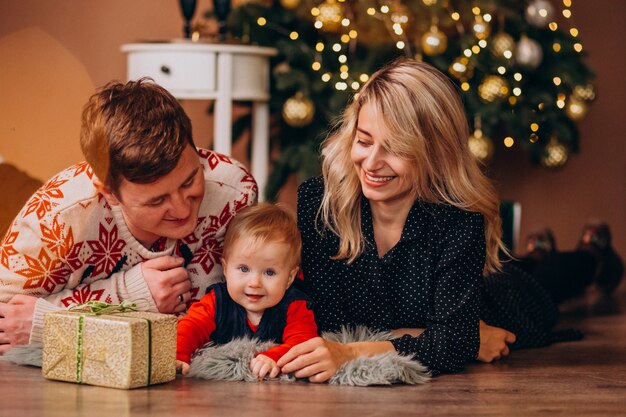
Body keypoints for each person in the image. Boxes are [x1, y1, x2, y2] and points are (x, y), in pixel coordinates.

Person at [275, 58, 623, 381]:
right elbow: (329, 320)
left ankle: (593, 255)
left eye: (396, 148)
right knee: (521, 264)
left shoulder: (459, 220)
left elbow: (449, 345)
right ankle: (540, 251)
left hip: (499, 300)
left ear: (434, 152)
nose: (371, 162)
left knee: (540, 286)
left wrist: (351, 352)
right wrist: (459, 334)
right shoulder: (320, 202)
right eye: (364, 141)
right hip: (463, 305)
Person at [0, 79, 257, 354]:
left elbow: (250, 312)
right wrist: (129, 295)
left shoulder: (234, 192)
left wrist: (54, 319)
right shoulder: (55, 218)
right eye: (156, 200)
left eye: (189, 181)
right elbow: (7, 323)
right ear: (109, 193)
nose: (183, 209)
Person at [176, 203, 318, 379]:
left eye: (269, 272)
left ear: (289, 278)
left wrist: (274, 356)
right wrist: (178, 354)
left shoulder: (295, 306)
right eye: (244, 269)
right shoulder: (217, 301)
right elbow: (190, 327)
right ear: (226, 269)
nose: (254, 283)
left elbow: (304, 343)